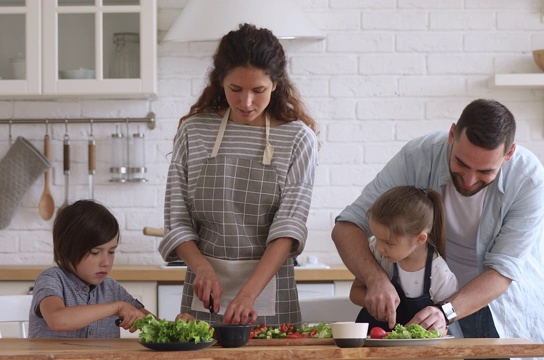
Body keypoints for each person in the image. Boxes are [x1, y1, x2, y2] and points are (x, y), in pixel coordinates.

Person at [332, 99, 544, 350]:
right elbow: (347, 225)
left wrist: (445, 311)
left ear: (509, 154)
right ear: (452, 135)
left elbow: (503, 271)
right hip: (434, 313)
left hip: (505, 309)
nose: (470, 180)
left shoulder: (529, 180)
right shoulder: (417, 156)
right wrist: (375, 279)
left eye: (485, 171)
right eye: (461, 164)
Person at [159, 23, 319, 327]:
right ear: (221, 82)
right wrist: (202, 269)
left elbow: (288, 228)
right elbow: (176, 219)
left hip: (269, 292)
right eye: (236, 89)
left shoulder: (298, 139)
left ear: (275, 84)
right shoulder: (195, 131)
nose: (246, 102)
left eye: (258, 91)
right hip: (203, 291)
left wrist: (247, 295)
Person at [29, 200, 151, 338]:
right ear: (66, 250)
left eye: (111, 252)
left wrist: (178, 326)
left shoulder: (112, 288)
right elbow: (58, 320)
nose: (106, 262)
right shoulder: (51, 279)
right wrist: (116, 308)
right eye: (95, 252)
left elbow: (154, 324)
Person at [350, 186, 457, 335]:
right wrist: (375, 303)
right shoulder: (376, 252)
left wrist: (435, 330)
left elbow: (443, 326)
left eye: (388, 243)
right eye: (376, 238)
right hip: (369, 344)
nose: (380, 248)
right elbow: (355, 292)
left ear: (420, 239)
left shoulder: (440, 273)